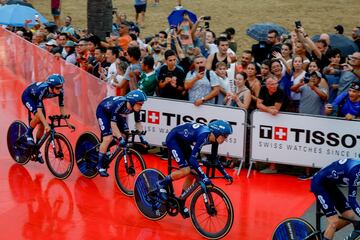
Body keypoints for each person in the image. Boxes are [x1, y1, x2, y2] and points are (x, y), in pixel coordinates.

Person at [156, 120, 233, 218]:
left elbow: (215, 160)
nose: (226, 139)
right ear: (217, 133)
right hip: (173, 139)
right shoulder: (204, 135)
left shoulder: (214, 139)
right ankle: (161, 183)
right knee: (186, 170)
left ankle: (181, 202)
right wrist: (204, 176)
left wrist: (225, 174)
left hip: (183, 141)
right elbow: (192, 159)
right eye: (225, 136)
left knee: (192, 174)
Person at [21, 74, 74, 163]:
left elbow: (62, 107)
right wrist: (46, 125)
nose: (60, 89)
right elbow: (39, 112)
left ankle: (36, 148)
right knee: (39, 116)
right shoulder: (42, 90)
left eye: (61, 87)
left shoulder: (60, 91)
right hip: (28, 97)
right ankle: (28, 133)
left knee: (42, 123)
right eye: (57, 88)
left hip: (37, 100)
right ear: (51, 87)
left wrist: (67, 122)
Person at [95, 89, 147, 177]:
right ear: (132, 102)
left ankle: (106, 148)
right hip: (103, 111)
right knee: (108, 138)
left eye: (142, 104)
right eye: (140, 104)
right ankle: (99, 166)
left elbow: (138, 123)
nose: (141, 106)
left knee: (126, 134)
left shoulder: (135, 108)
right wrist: (119, 138)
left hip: (115, 114)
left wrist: (142, 138)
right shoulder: (119, 104)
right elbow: (113, 124)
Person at [311, 158, 360, 240]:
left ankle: (323, 237)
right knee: (334, 222)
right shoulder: (355, 171)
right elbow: (352, 200)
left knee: (349, 217)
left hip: (329, 184)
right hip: (319, 184)